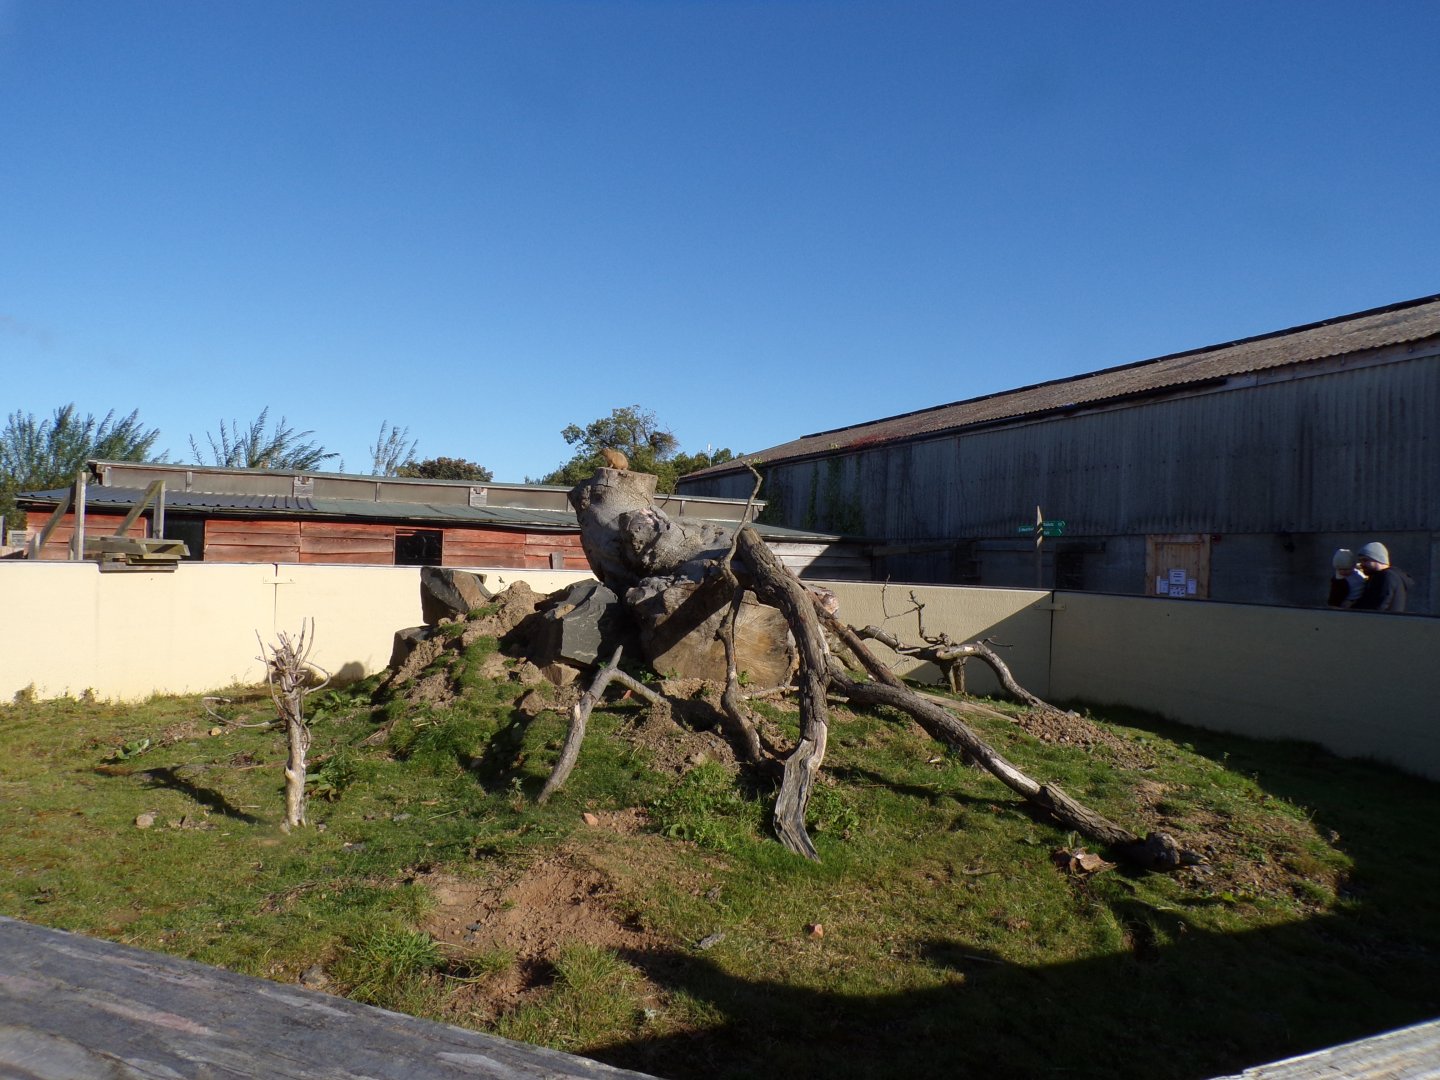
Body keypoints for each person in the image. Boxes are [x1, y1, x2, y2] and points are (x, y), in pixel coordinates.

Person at [1352, 542, 1408, 613]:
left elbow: (1378, 607)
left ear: (1379, 560)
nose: (1361, 564)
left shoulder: (1386, 576)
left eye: (1365, 560)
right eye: (1360, 561)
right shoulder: (1385, 576)